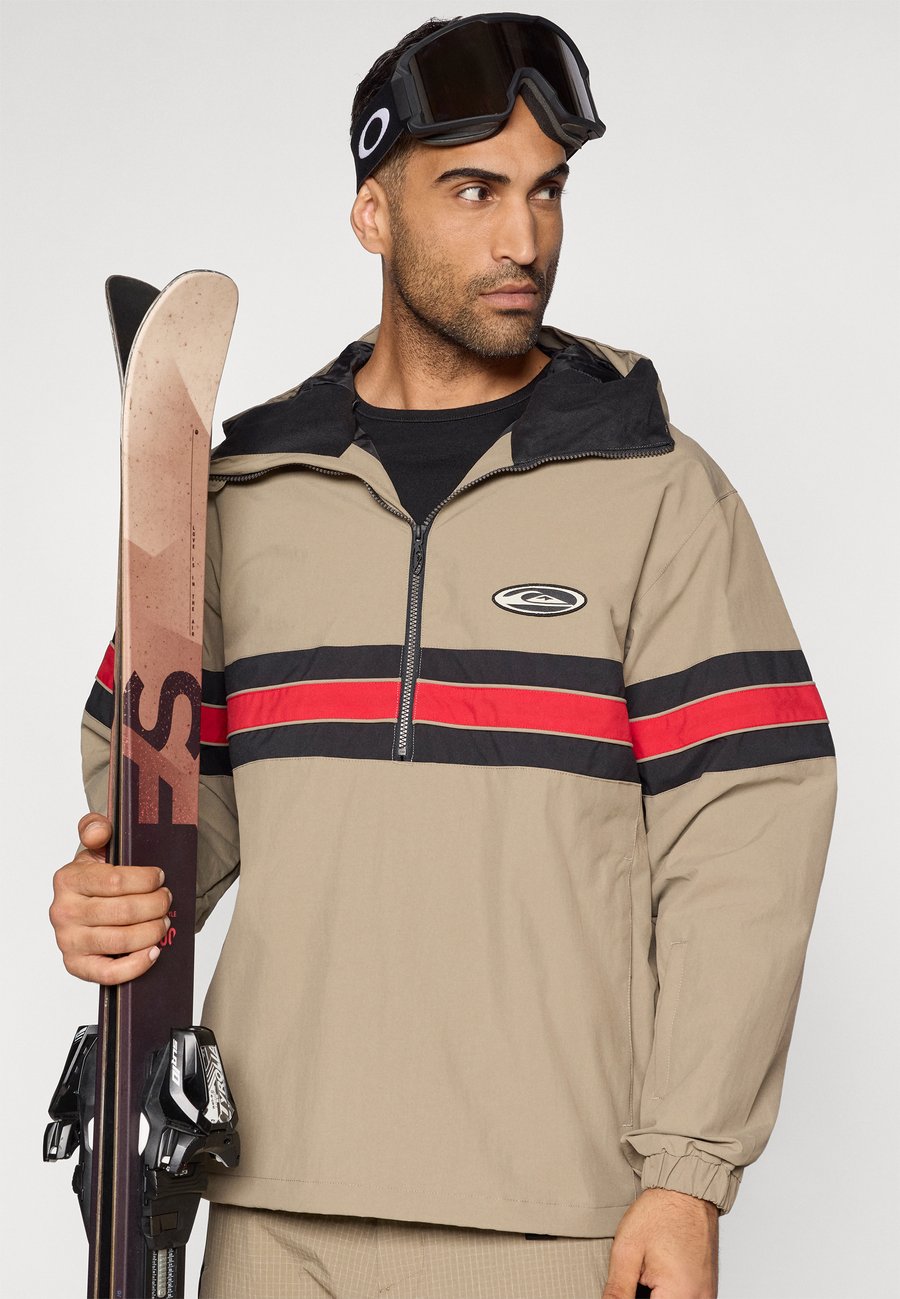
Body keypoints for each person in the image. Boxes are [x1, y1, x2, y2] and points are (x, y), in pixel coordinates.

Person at [49, 13, 837, 1298]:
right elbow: (170, 810)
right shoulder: (249, 493)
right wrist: (113, 898)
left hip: (557, 1212)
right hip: (271, 1207)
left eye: (546, 191)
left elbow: (746, 838)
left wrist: (687, 1171)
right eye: (474, 191)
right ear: (374, 212)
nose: (524, 238)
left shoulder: (656, 493)